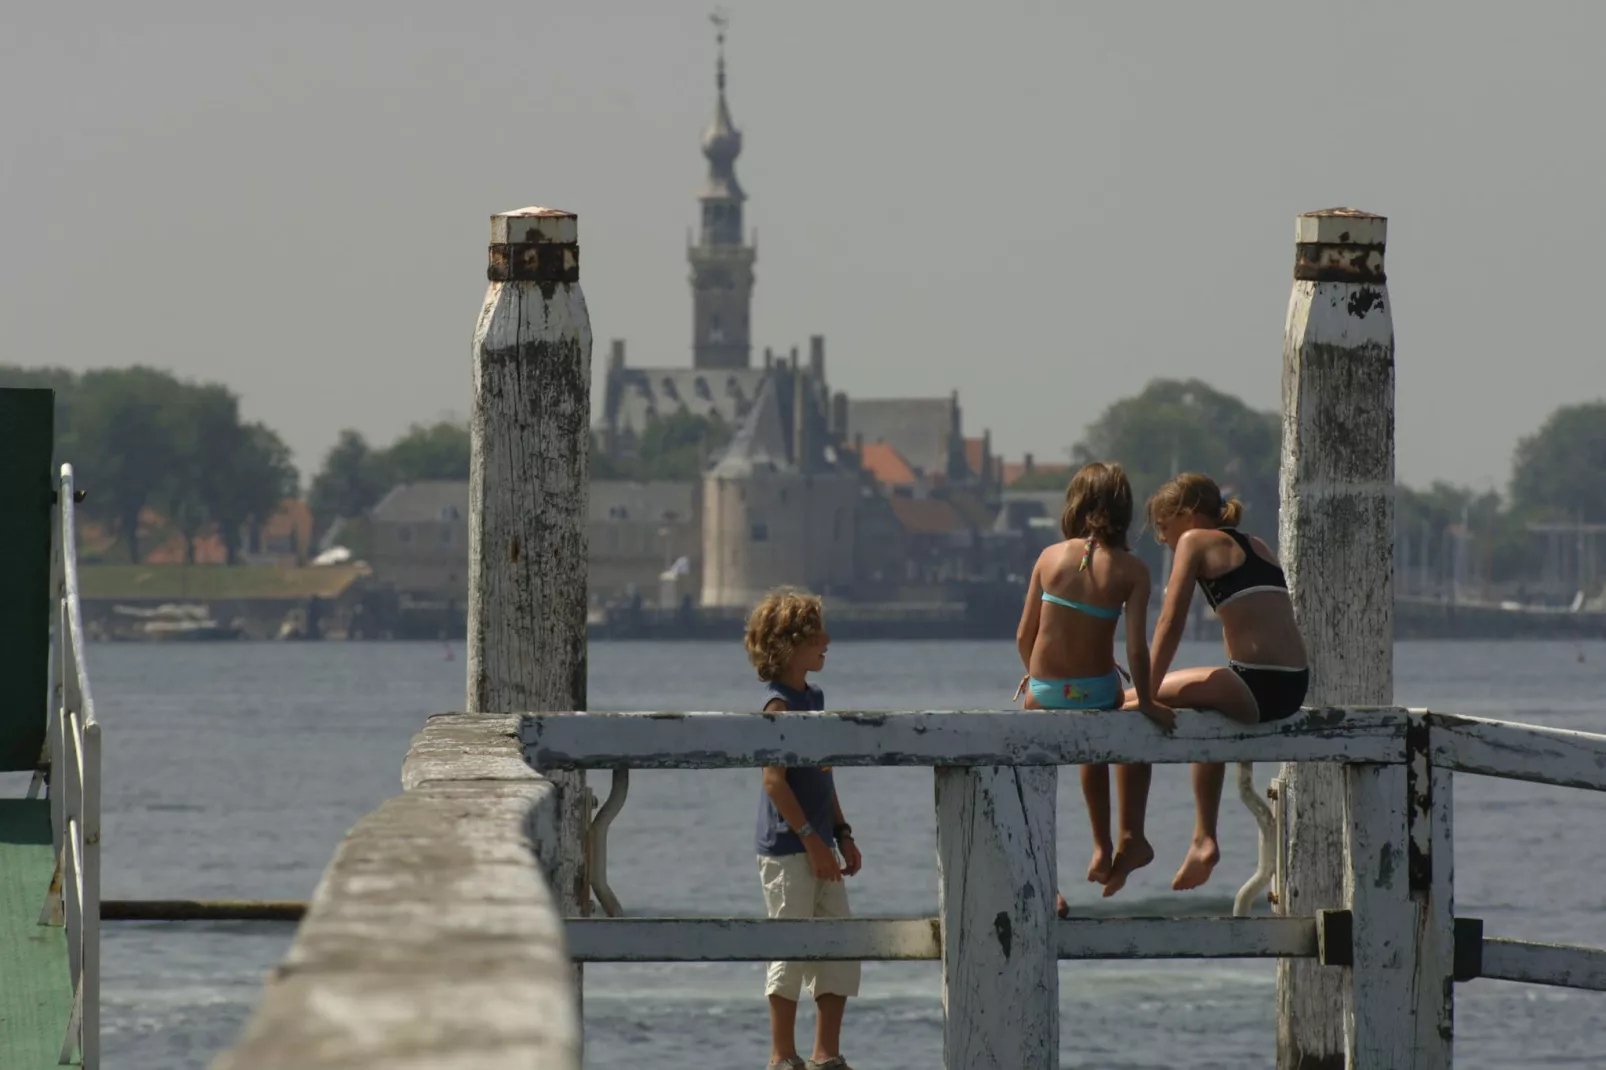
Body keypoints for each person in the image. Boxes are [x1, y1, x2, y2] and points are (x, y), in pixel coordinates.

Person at [1129, 473, 1310, 892]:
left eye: (1163, 525)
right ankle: (1203, 838)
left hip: (1256, 684)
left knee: (1128, 701)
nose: (1161, 538)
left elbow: (1170, 622)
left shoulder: (1195, 541)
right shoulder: (1255, 544)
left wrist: (1148, 693)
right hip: (1291, 685)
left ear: (1188, 515)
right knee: (1201, 707)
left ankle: (1135, 837)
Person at [1015, 462, 1175, 904]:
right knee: (1115, 735)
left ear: (1076, 507)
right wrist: (1146, 701)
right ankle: (1114, 842)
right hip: (1098, 692)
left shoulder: (1049, 557)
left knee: (1032, 778)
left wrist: (1038, 679)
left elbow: (1023, 635)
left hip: (1044, 694)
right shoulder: (1133, 570)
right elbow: (1136, 651)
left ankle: (1042, 874)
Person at [747, 587, 861, 1070]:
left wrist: (842, 832)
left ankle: (826, 1053)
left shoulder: (813, 698)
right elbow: (775, 783)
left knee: (838, 942)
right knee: (789, 947)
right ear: (790, 645)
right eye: (816, 635)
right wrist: (813, 843)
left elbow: (822, 773)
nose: (827, 641)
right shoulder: (779, 707)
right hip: (788, 847)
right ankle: (782, 1055)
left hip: (818, 843)